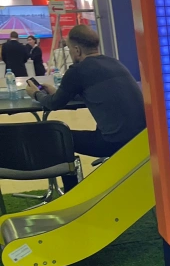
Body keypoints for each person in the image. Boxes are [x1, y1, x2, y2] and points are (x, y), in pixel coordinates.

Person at [26, 24, 146, 169]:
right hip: (142, 138)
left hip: (113, 142)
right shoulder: (114, 63)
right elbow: (96, 93)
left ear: (77, 50)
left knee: (57, 136)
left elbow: (53, 104)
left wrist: (36, 94)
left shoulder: (77, 70)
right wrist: (57, 92)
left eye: (70, 49)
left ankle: (70, 180)